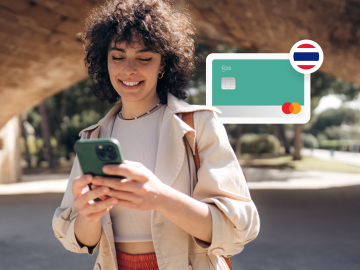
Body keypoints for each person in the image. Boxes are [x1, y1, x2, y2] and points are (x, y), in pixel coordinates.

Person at [52, 0, 260, 270]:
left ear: (163, 64)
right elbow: (78, 240)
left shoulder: (201, 124)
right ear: (105, 61)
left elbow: (240, 228)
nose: (129, 69)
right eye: (117, 57)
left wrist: (160, 197)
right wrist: (90, 217)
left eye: (145, 58)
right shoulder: (93, 138)